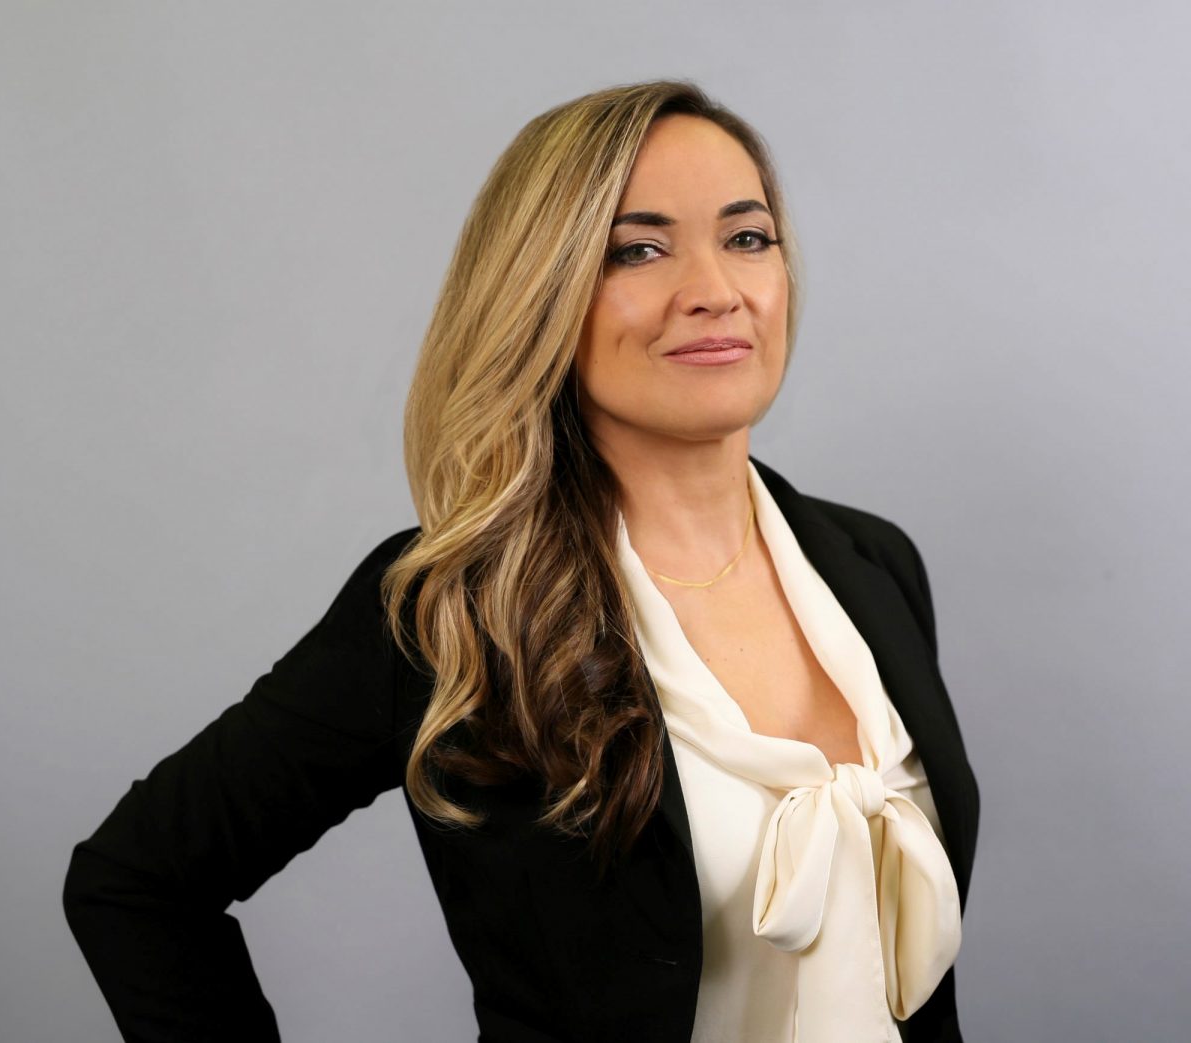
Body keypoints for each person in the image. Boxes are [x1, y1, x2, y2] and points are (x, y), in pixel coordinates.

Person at [63, 79, 979, 1042]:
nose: (716, 289)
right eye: (638, 249)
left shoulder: (874, 565)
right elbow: (137, 881)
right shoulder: (453, 607)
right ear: (541, 293)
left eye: (747, 237)